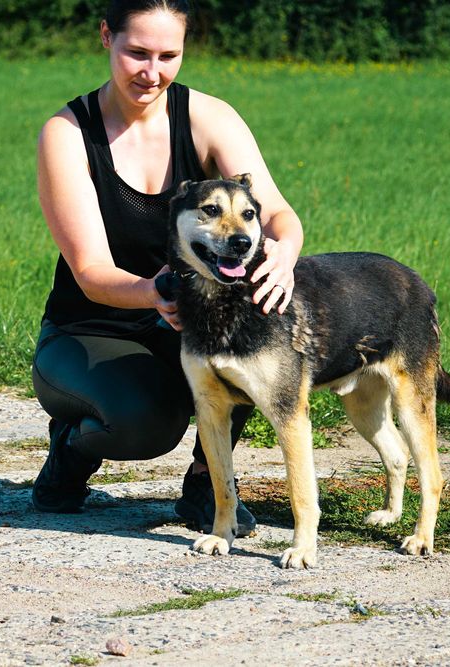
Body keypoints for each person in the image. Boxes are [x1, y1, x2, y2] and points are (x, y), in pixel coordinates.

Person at [30, 0, 304, 536]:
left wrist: (286, 252)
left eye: (168, 56)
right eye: (137, 53)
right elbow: (90, 270)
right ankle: (71, 446)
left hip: (186, 320)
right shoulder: (68, 133)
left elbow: (275, 213)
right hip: (92, 329)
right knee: (146, 425)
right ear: (105, 36)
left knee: (255, 321)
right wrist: (158, 292)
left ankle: (207, 483)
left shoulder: (210, 118)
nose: (152, 73)